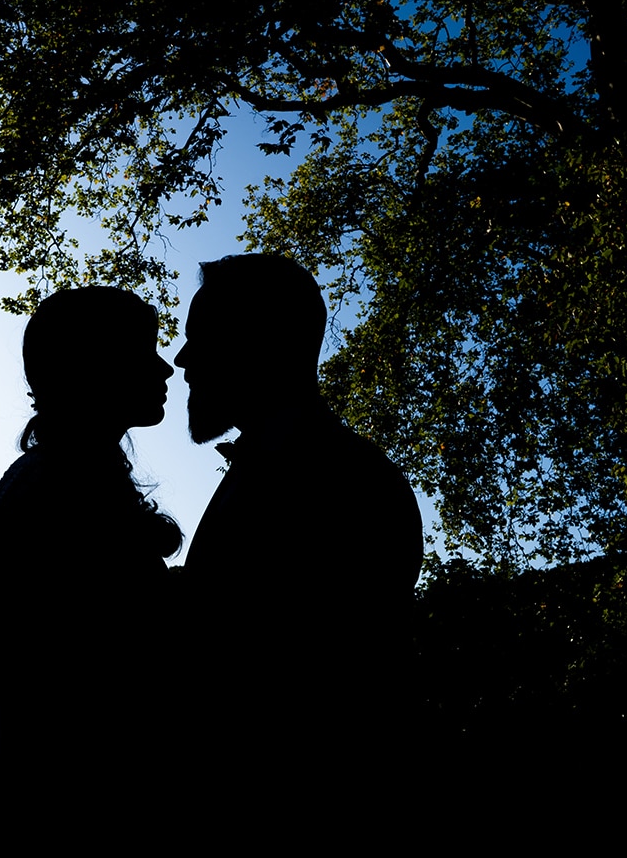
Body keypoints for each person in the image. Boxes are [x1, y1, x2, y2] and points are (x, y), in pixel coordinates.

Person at [173, 253, 423, 843]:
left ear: (258, 343)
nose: (182, 360)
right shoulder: (300, 468)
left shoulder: (331, 480)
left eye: (199, 339)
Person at [0, 287, 182, 856]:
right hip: (54, 823)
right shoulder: (54, 489)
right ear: (94, 367)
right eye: (144, 351)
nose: (165, 366)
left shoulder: (68, 481)